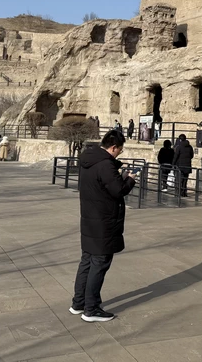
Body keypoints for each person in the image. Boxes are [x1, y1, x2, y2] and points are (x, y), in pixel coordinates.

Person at [69, 130, 138, 323]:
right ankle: (91, 309)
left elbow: (103, 186)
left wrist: (119, 176)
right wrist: (130, 179)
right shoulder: (105, 165)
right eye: (120, 151)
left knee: (86, 261)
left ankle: (78, 303)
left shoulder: (88, 160)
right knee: (99, 264)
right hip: (104, 221)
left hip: (90, 219)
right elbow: (118, 190)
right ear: (113, 147)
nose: (119, 154)